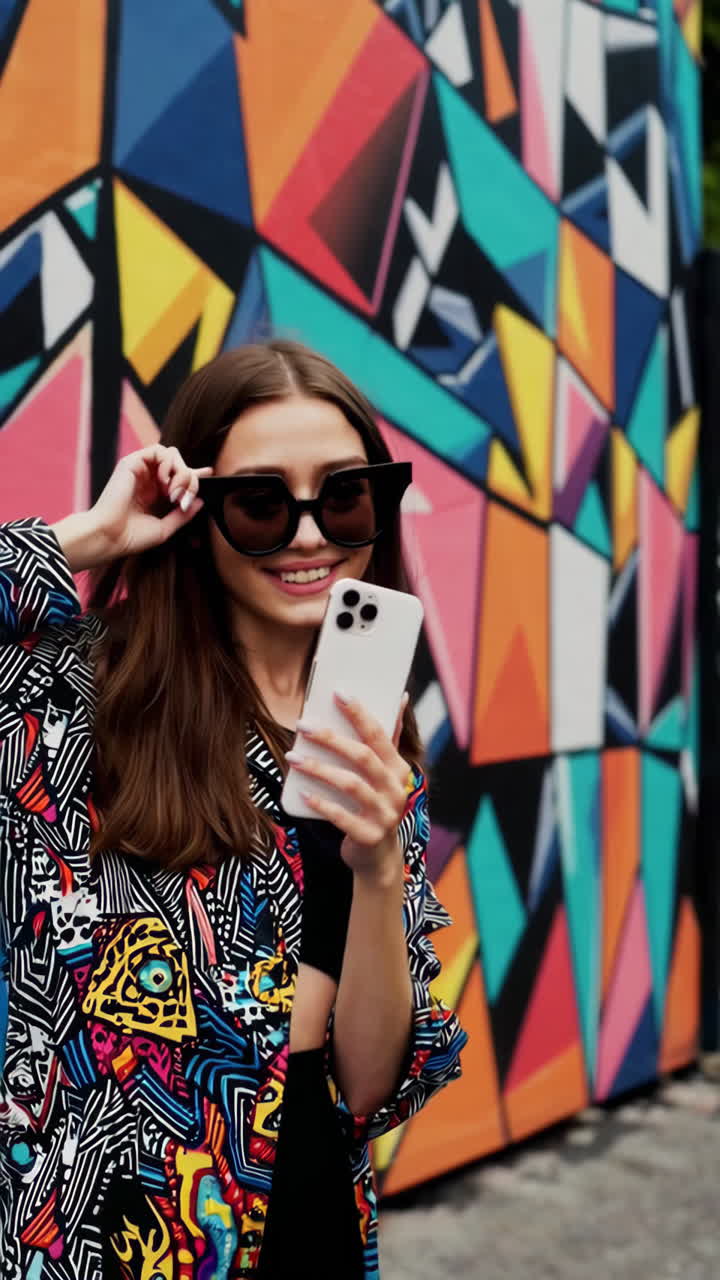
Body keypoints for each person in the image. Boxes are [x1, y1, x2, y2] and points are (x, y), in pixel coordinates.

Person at [0, 339, 466, 1279]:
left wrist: (378, 867)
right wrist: (83, 539)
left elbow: (367, 1086)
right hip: (108, 1234)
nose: (308, 535)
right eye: (259, 503)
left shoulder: (373, 729)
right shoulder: (74, 696)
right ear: (198, 514)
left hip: (306, 1210)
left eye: (344, 496)